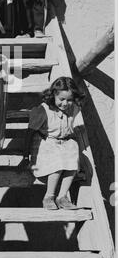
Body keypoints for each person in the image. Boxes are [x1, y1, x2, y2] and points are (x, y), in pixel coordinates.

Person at [24, 76, 85, 210]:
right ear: (53, 96)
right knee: (57, 159)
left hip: (62, 143)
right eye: (61, 99)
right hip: (45, 144)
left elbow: (73, 121)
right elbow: (30, 133)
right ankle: (49, 196)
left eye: (69, 100)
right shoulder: (43, 111)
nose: (65, 103)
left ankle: (62, 197)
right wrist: (25, 156)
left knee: (73, 153)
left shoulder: (74, 108)